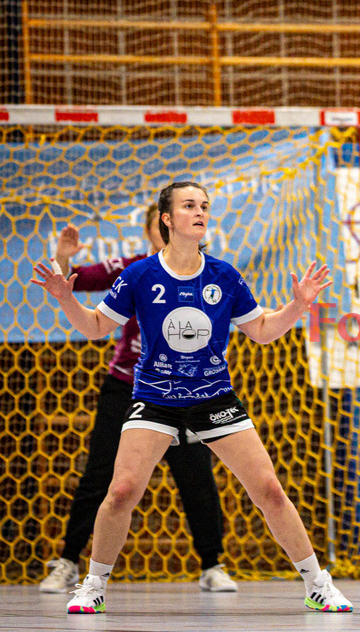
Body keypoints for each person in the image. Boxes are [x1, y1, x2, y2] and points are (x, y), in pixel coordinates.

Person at [31, 180, 352, 614]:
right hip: (156, 395)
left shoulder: (224, 275)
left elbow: (260, 332)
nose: (199, 212)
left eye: (204, 205)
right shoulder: (140, 275)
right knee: (122, 489)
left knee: (269, 491)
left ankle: (318, 584)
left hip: (212, 396)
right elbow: (93, 327)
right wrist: (66, 298)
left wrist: (298, 306)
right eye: (188, 205)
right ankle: (92, 585)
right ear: (167, 219)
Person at [39, 206, 237, 594]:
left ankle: (213, 564)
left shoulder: (209, 274)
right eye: (177, 213)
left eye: (199, 209)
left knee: (196, 475)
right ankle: (67, 562)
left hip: (184, 391)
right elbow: (75, 283)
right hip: (127, 389)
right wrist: (63, 257)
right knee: (101, 476)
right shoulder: (134, 269)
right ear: (157, 226)